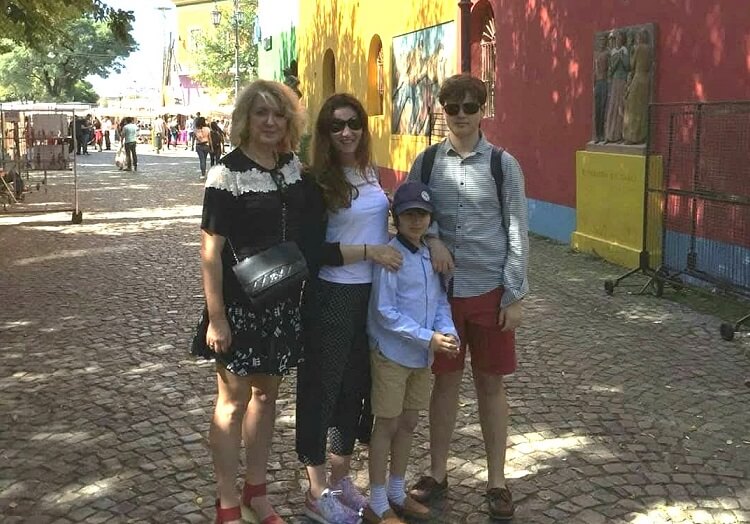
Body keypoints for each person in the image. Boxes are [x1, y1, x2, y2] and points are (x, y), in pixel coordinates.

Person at [405, 74, 529, 522]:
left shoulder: (502, 165)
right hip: (443, 295)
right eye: (452, 107)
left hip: (490, 291)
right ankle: (438, 473)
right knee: (444, 384)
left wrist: (514, 294)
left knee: (491, 385)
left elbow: (517, 229)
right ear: (443, 110)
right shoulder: (426, 162)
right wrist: (434, 238)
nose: (460, 114)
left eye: (469, 106)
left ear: (482, 110)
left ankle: (497, 481)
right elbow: (411, 214)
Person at [191, 79, 314, 524]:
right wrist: (217, 317)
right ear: (246, 118)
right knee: (232, 402)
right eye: (261, 113)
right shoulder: (227, 173)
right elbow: (210, 251)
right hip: (240, 305)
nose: (270, 121)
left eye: (278, 114)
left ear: (289, 120)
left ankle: (256, 493)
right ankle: (227, 501)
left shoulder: (292, 167)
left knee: (267, 395)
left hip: (282, 301)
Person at [295, 93, 403, 524]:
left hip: (370, 295)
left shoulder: (370, 172)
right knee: (321, 391)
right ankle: (316, 490)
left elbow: (381, 226)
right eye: (336, 125)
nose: (346, 132)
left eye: (353, 123)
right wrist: (370, 252)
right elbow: (312, 251)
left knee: (354, 390)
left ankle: (341, 482)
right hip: (332, 296)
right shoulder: (316, 182)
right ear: (324, 132)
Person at [363, 181, 459, 524]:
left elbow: (440, 301)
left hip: (421, 357)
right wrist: (427, 337)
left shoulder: (430, 255)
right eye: (408, 215)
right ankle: (377, 501)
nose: (416, 221)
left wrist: (447, 331)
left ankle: (397, 491)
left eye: (422, 214)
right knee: (387, 425)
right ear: (396, 217)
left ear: (430, 218)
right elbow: (384, 312)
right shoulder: (391, 257)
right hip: (392, 354)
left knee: (408, 423)